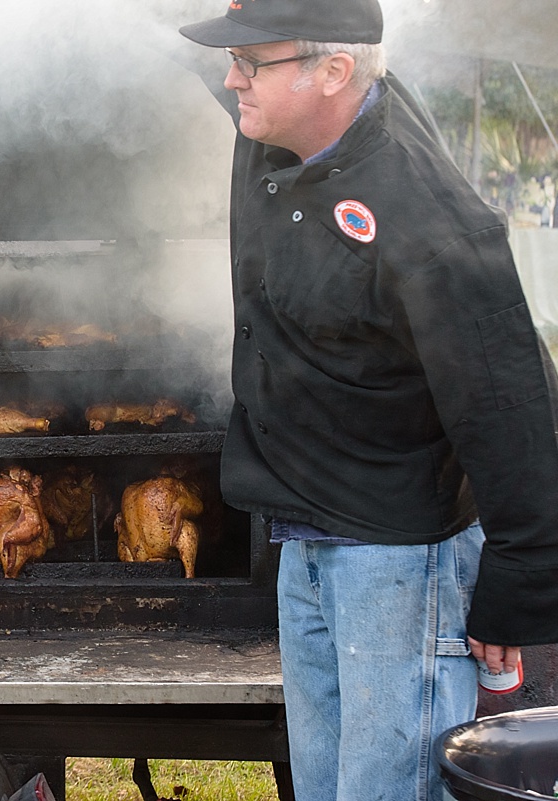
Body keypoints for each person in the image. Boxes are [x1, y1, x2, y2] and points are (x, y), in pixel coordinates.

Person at [178, 1, 558, 799]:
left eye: (249, 62)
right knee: (325, 788)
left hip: (397, 557)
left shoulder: (430, 220)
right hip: (305, 536)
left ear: (334, 71)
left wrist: (517, 583)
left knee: (391, 791)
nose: (228, 78)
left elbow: (511, 403)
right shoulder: (286, 123)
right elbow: (222, 51)